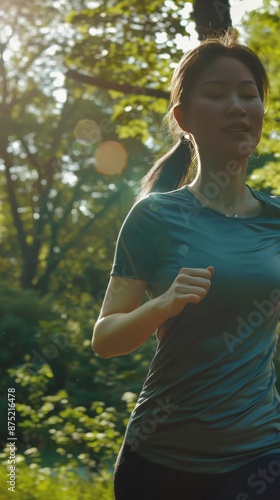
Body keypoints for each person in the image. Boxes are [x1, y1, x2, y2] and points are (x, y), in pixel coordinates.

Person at [92, 30, 280, 500]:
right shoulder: (155, 216)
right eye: (216, 94)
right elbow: (106, 339)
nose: (237, 106)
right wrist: (164, 305)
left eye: (249, 94)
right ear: (184, 118)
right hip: (159, 463)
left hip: (259, 458)